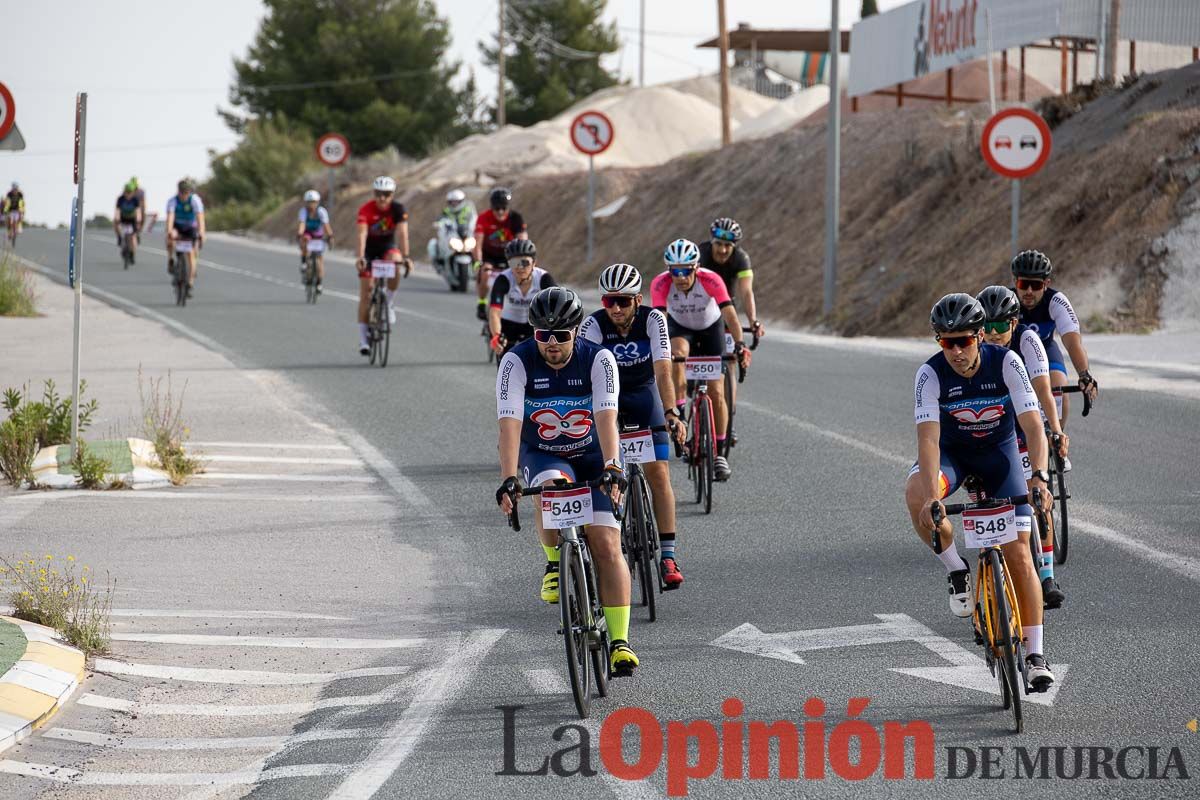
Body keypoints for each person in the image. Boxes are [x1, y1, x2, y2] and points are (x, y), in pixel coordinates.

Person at [904, 293, 1056, 691]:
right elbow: (929, 440)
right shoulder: (929, 374)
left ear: (979, 337)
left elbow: (1033, 426)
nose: (955, 351)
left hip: (999, 455)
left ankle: (1036, 654)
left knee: (1020, 552)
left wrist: (1038, 476)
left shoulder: (1007, 361)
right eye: (946, 342)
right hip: (953, 456)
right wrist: (934, 498)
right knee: (916, 492)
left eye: (964, 341)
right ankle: (956, 567)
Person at [495, 287, 639, 677]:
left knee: (607, 543)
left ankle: (620, 641)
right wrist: (509, 479)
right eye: (543, 334)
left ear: (577, 331)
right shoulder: (516, 362)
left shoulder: (599, 359)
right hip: (544, 452)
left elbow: (607, 418)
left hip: (594, 452)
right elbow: (509, 426)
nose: (552, 344)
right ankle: (555, 563)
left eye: (561, 335)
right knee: (552, 486)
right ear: (533, 333)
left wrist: (613, 466)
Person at [580, 263, 687, 589]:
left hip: (644, 395)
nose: (615, 307)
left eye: (623, 301)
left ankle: (667, 556)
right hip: (607, 399)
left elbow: (664, 371)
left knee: (658, 472)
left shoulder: (653, 320)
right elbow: (587, 379)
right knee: (609, 470)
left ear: (638, 300)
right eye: (609, 300)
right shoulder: (593, 325)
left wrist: (671, 412)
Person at [977, 286, 1068, 609]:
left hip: (1026, 418)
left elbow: (1044, 390)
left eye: (1000, 325)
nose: (992, 333)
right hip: (992, 425)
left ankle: (1045, 575)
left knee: (1035, 497)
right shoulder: (975, 346)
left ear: (1014, 324)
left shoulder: (1028, 341)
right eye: (986, 326)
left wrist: (1055, 431)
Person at [651, 238, 751, 482]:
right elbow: (659, 321)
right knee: (676, 356)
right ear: (669, 270)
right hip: (679, 328)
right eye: (675, 271)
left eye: (686, 270)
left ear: (696, 268)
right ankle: (681, 412)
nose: (681, 276)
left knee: (716, 392)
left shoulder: (711, 280)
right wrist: (659, 353)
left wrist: (739, 345)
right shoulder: (660, 283)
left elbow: (730, 313)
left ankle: (719, 452)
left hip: (710, 328)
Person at [1011, 250, 1099, 465]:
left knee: (1059, 383)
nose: (1029, 291)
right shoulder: (1007, 300)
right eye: (1023, 285)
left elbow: (1072, 341)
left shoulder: (1056, 301)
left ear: (1046, 283)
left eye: (1036, 285)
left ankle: (1056, 442)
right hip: (1012, 355)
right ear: (1015, 282)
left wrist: (1084, 374)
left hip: (1046, 350)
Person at [697, 216, 764, 452]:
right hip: (700, 310)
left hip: (726, 310)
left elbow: (747, 292)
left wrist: (753, 320)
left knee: (730, 363)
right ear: (711, 242)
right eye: (719, 244)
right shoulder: (701, 255)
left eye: (729, 246)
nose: (723, 250)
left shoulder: (741, 259)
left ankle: (728, 416)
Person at [355, 176, 412, 356]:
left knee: (395, 262)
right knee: (366, 294)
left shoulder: (398, 209)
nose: (382, 198)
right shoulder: (366, 209)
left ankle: (388, 301)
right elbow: (361, 234)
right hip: (369, 250)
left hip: (387, 247)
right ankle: (363, 339)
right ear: (374, 194)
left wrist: (407, 257)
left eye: (386, 195)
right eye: (379, 194)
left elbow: (403, 234)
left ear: (392, 195)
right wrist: (360, 256)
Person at [488, 238, 555, 358]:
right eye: (515, 263)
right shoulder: (503, 279)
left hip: (534, 325)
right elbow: (494, 312)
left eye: (525, 262)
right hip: (508, 325)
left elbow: (556, 308)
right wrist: (497, 336)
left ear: (534, 263)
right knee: (505, 358)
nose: (520, 267)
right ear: (509, 264)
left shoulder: (544, 278)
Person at [472, 187, 527, 320]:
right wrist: (478, 263)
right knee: (485, 273)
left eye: (503, 208)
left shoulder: (516, 218)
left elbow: (523, 242)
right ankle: (481, 302)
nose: (500, 212)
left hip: (509, 256)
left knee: (522, 277)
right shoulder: (484, 218)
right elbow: (477, 243)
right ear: (492, 207)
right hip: (489, 255)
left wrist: (524, 262)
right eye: (497, 208)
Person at [165, 179, 205, 298]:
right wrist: (169, 231)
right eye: (182, 192)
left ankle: (190, 282)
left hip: (190, 227)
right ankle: (171, 259)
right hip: (177, 226)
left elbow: (200, 218)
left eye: (186, 192)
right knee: (170, 237)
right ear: (178, 192)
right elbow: (170, 218)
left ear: (190, 192)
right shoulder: (172, 201)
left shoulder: (195, 200)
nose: (184, 195)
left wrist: (202, 232)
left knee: (192, 254)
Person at [297, 189, 334, 295]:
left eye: (313, 202)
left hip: (318, 234)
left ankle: (319, 283)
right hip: (308, 233)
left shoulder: (321, 211)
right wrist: (300, 234)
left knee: (320, 261)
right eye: (309, 202)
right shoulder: (303, 211)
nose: (311, 205)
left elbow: (326, 225)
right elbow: (302, 224)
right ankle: (304, 261)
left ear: (317, 202)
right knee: (305, 239)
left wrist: (330, 236)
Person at [114, 182, 143, 262]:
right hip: (123, 218)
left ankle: (132, 254)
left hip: (132, 219)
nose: (128, 194)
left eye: (130, 192)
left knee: (133, 237)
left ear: (133, 192)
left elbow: (138, 211)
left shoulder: (135, 200)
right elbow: (118, 210)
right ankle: (119, 237)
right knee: (116, 223)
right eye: (127, 192)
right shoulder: (120, 199)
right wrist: (117, 218)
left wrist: (138, 220)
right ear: (124, 191)